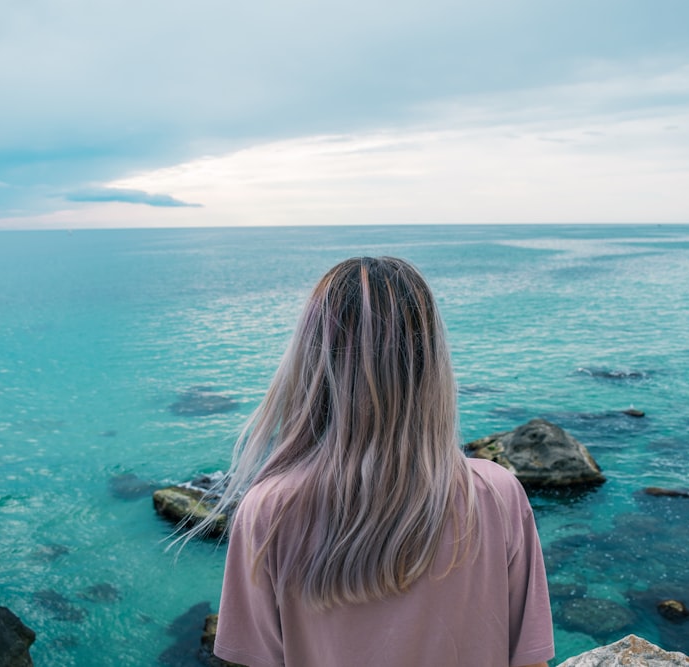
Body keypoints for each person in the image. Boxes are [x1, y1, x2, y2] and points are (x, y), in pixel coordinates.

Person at [206, 257, 554, 667]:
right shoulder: (496, 494)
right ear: (431, 363)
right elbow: (529, 661)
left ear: (312, 361)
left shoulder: (268, 511)